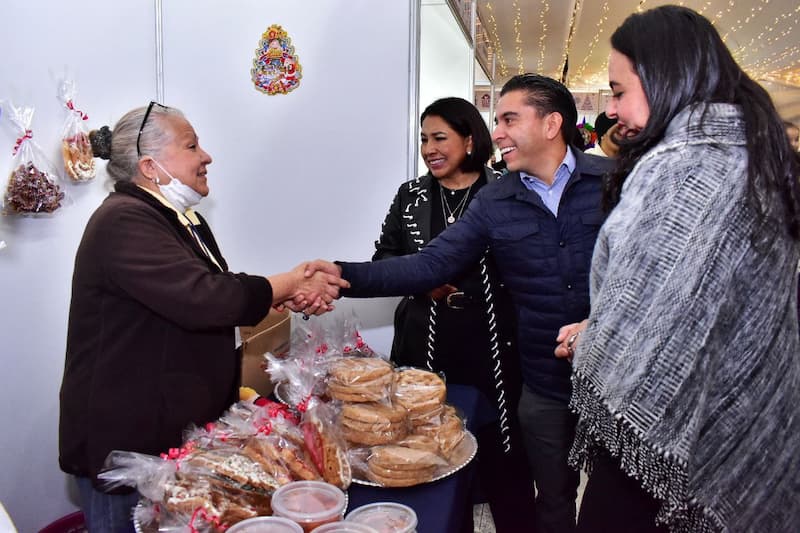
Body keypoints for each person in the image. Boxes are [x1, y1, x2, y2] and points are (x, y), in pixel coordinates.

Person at [308, 74, 615, 533]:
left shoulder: (615, 182)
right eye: (498, 121)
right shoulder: (496, 201)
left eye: (510, 119)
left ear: (552, 123)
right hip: (544, 384)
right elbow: (428, 265)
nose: (500, 133)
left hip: (621, 379)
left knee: (618, 503)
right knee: (553, 497)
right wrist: (335, 274)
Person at [554, 6, 800, 532]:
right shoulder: (752, 155)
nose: (613, 108)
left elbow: (658, 333)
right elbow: (683, 303)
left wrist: (594, 343)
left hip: (656, 452)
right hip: (731, 427)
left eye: (619, 91)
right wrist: (602, 326)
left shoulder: (684, 166)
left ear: (664, 76)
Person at [58, 102, 347, 532]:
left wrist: (278, 298)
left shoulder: (177, 218)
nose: (206, 156)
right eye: (192, 145)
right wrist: (288, 282)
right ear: (151, 166)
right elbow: (205, 298)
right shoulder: (123, 222)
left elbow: (212, 290)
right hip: (127, 447)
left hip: (167, 436)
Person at [374, 96, 535, 531]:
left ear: (469, 139)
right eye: (424, 139)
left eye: (440, 137)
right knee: (427, 455)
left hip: (494, 347)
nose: (429, 148)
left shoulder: (506, 191)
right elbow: (385, 257)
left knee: (505, 454)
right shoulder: (410, 196)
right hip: (423, 344)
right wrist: (420, 280)